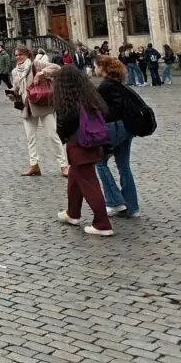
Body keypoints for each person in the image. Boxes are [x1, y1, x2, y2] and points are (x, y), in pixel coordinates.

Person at [52, 65, 114, 236]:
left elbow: (64, 126)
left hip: (78, 145)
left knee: (89, 183)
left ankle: (102, 224)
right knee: (75, 177)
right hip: (93, 142)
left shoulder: (67, 101)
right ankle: (72, 213)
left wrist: (63, 137)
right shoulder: (90, 96)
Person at [93, 57, 141, 218]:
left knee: (99, 161)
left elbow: (103, 109)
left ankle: (115, 202)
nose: (94, 69)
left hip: (114, 127)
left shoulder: (106, 86)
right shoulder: (119, 83)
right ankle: (132, 207)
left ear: (101, 67)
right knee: (124, 166)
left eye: (95, 66)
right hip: (127, 127)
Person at [10, 46, 67, 178]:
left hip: (42, 104)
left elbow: (56, 68)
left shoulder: (35, 64)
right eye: (16, 55)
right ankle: (34, 165)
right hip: (27, 106)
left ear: (27, 54)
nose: (18, 57)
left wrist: (42, 73)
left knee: (53, 135)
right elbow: (18, 88)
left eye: (20, 54)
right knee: (30, 138)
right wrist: (12, 92)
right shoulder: (14, 71)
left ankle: (64, 165)